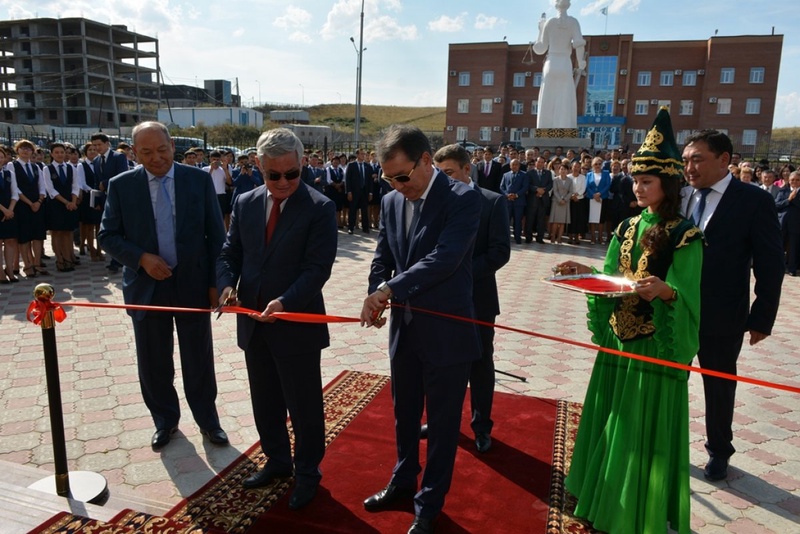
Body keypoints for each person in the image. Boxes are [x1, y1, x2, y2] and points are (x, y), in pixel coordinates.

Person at [559, 108, 704, 533]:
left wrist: (666, 291)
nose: (638, 188)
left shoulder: (686, 235)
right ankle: (599, 493)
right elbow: (612, 277)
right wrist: (583, 272)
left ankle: (631, 511)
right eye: (636, 180)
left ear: (667, 184)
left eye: (647, 182)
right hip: (619, 339)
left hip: (653, 343)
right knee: (612, 418)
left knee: (639, 426)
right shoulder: (625, 227)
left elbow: (688, 293)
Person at [359, 125, 481, 534]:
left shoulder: (463, 199)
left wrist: (390, 289)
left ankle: (428, 504)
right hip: (404, 330)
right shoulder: (392, 201)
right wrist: (376, 291)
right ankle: (402, 479)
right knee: (404, 413)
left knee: (443, 425)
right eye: (388, 179)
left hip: (447, 333)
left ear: (427, 160)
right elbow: (382, 256)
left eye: (402, 176)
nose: (397, 186)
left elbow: (445, 258)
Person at [216, 128, 337, 511]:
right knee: (265, 401)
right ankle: (277, 461)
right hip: (253, 323)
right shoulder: (246, 201)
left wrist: (285, 302)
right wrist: (225, 285)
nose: (283, 182)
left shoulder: (319, 207)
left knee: (303, 407)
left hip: (296, 324)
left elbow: (317, 269)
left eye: (292, 173)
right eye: (273, 175)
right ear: (258, 166)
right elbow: (230, 253)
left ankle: (307, 473)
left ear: (301, 164)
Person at [98, 121, 228, 450]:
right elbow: (107, 236)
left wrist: (216, 283)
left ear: (172, 146)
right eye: (146, 152)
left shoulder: (197, 180)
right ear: (134, 153)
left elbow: (216, 235)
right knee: (153, 361)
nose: (156, 158)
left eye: (161, 150)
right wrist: (141, 258)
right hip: (146, 287)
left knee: (198, 359)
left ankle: (208, 420)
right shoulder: (121, 185)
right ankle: (165, 420)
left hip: (192, 284)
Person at [681, 129, 784, 481]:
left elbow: (770, 263)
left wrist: (762, 317)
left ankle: (719, 451)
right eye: (686, 160)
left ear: (724, 159)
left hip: (723, 314)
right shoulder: (681, 196)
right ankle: (667, 442)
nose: (690, 168)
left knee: (719, 386)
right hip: (676, 309)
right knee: (670, 379)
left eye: (698, 159)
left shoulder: (753, 200)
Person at [431, 143, 510, 452]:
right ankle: (440, 421)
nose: (443, 180)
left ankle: (481, 426)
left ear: (467, 169)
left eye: (449, 173)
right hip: (439, 300)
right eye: (439, 173)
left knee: (479, 364)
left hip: (478, 299)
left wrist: (458, 272)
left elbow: (499, 253)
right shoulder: (434, 202)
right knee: (440, 363)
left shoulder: (492, 202)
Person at [532, 0, 586, 129]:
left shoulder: (549, 22)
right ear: (569, 5)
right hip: (564, 63)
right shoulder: (573, 22)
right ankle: (564, 128)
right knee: (565, 97)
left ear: (556, 5)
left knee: (547, 97)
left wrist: (540, 30)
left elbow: (540, 49)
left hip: (551, 63)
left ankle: (544, 128)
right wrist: (581, 61)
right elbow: (579, 44)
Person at [7, 139, 48, 278]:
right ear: (17, 150)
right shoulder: (12, 165)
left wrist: (39, 201)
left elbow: (42, 186)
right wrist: (30, 203)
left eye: (28, 148)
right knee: (24, 237)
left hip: (37, 205)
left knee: (38, 236)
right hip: (22, 206)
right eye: (22, 148)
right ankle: (27, 265)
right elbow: (15, 187)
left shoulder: (36, 167)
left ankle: (37, 263)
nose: (25, 151)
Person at [0, 145, 19, 283]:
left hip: (10, 212)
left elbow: (15, 193)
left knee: (10, 241)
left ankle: (10, 270)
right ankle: (0, 272)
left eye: (1, 157)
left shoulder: (9, 173)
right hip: (2, 211)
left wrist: (10, 209)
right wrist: (4, 210)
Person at [500, 158, 529, 244]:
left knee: (518, 220)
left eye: (516, 164)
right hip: (508, 201)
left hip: (519, 202)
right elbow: (501, 187)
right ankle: (505, 238)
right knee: (506, 220)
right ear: (510, 166)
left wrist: (516, 195)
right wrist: (507, 195)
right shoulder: (505, 175)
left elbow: (525, 187)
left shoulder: (524, 175)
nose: (514, 166)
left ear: (519, 166)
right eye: (513, 165)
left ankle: (517, 237)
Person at [525, 156, 553, 243]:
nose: (540, 164)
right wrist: (536, 189)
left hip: (543, 199)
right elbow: (528, 185)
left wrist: (543, 190)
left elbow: (550, 184)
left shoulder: (548, 173)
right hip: (532, 199)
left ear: (544, 163)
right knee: (530, 219)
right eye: (538, 162)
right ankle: (528, 237)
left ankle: (540, 237)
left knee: (541, 219)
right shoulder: (530, 173)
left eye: (542, 162)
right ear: (535, 163)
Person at [584, 156, 611, 244]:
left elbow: (608, 185)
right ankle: (593, 237)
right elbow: (587, 186)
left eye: (599, 164)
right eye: (596, 164)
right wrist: (593, 195)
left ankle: (600, 237)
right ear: (593, 165)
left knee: (601, 219)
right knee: (592, 218)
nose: (598, 165)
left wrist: (600, 194)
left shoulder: (606, 173)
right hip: (592, 198)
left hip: (602, 198)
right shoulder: (589, 174)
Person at [345, 148, 371, 234]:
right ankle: (351, 227)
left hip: (364, 192)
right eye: (361, 154)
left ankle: (365, 228)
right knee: (352, 210)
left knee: (364, 210)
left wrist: (370, 192)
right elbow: (347, 179)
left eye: (364, 154)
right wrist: (349, 192)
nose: (363, 155)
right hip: (354, 192)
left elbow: (369, 180)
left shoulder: (367, 166)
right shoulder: (351, 165)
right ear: (357, 155)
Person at [549, 162, 573, 244]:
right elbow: (555, 191)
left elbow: (570, 192)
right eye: (561, 169)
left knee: (562, 222)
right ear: (559, 170)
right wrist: (560, 200)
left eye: (565, 169)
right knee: (555, 221)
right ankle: (553, 237)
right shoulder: (556, 180)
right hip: (556, 202)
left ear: (567, 171)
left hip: (565, 203)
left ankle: (559, 238)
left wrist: (565, 199)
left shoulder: (570, 180)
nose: (563, 171)